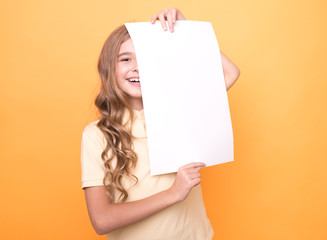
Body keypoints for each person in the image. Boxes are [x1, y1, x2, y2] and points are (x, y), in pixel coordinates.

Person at [81, 8, 240, 240]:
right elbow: (101, 220)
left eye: (146, 58)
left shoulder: (180, 110)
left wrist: (188, 33)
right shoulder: (97, 135)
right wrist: (173, 193)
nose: (137, 67)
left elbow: (230, 73)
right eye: (126, 59)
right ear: (108, 68)